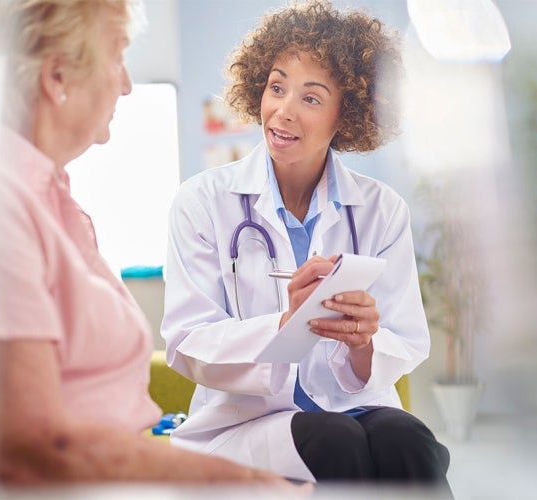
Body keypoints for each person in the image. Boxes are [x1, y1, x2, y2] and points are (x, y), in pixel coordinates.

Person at [0, 0, 302, 489]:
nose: (125, 83)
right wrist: (251, 485)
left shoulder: (36, 187)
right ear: (57, 77)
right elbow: (34, 450)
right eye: (118, 54)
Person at [161, 0, 450, 490]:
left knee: (410, 440)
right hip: (244, 421)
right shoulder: (202, 201)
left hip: (353, 402)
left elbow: (404, 339)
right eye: (276, 87)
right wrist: (282, 324)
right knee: (335, 439)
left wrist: (363, 342)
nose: (283, 111)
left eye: (311, 99)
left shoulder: (381, 209)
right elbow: (188, 343)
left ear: (351, 114)